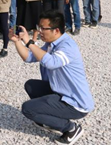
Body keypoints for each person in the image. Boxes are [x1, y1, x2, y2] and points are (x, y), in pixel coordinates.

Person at [12, 11, 94, 144]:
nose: (39, 31)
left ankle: (71, 128)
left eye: (43, 28)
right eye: (39, 27)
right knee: (31, 85)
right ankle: (49, 119)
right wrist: (17, 42)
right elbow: (29, 57)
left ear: (56, 30)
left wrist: (29, 42)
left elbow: (51, 62)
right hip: (61, 92)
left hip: (75, 103)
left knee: (28, 109)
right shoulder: (52, 43)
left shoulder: (67, 46)